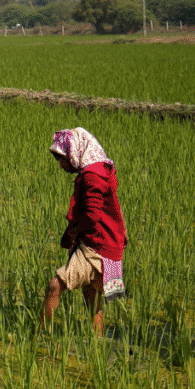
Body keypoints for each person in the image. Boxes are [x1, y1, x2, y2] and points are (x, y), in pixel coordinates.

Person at [41, 128, 127, 337]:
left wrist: (72, 233)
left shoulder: (92, 176)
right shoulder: (103, 168)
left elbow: (92, 216)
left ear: (74, 152)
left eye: (62, 159)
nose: (61, 166)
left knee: (54, 285)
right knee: (93, 300)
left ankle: (38, 336)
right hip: (110, 246)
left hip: (97, 246)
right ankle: (97, 349)